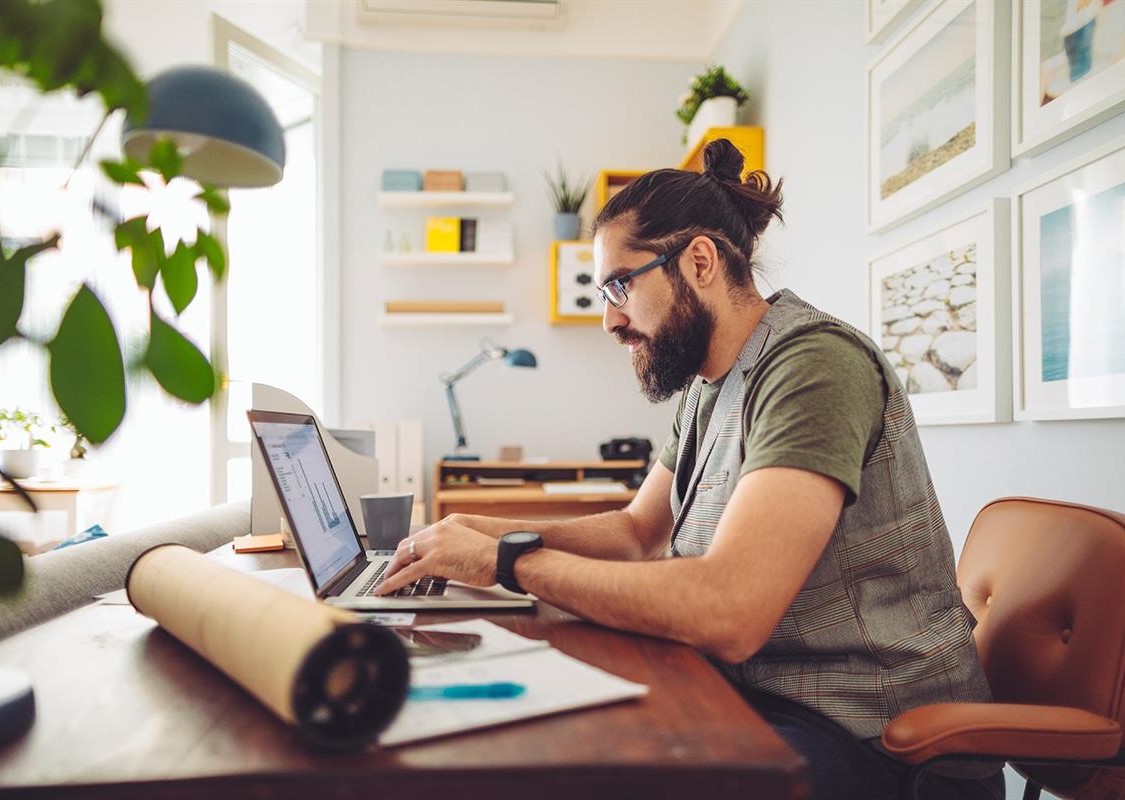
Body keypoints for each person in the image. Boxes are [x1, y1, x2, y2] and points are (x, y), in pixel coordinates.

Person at [377, 139, 1003, 799]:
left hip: (877, 740)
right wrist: (481, 528)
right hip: (764, 696)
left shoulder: (813, 367)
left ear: (698, 261)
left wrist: (505, 563)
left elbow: (729, 611)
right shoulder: (708, 383)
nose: (611, 321)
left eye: (620, 285)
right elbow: (636, 531)